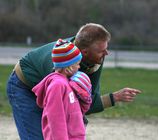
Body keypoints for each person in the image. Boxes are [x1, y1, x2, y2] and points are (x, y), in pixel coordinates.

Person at [6, 23, 141, 140]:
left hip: (49, 92)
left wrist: (115, 97)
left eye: (106, 48)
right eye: (101, 50)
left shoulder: (95, 59)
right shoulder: (59, 69)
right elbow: (58, 110)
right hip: (23, 87)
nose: (106, 53)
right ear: (85, 52)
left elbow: (88, 101)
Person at [32, 40, 92, 140]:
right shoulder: (57, 85)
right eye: (77, 63)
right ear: (68, 66)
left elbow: (76, 111)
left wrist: (84, 96)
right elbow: (55, 117)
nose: (79, 66)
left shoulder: (69, 83)